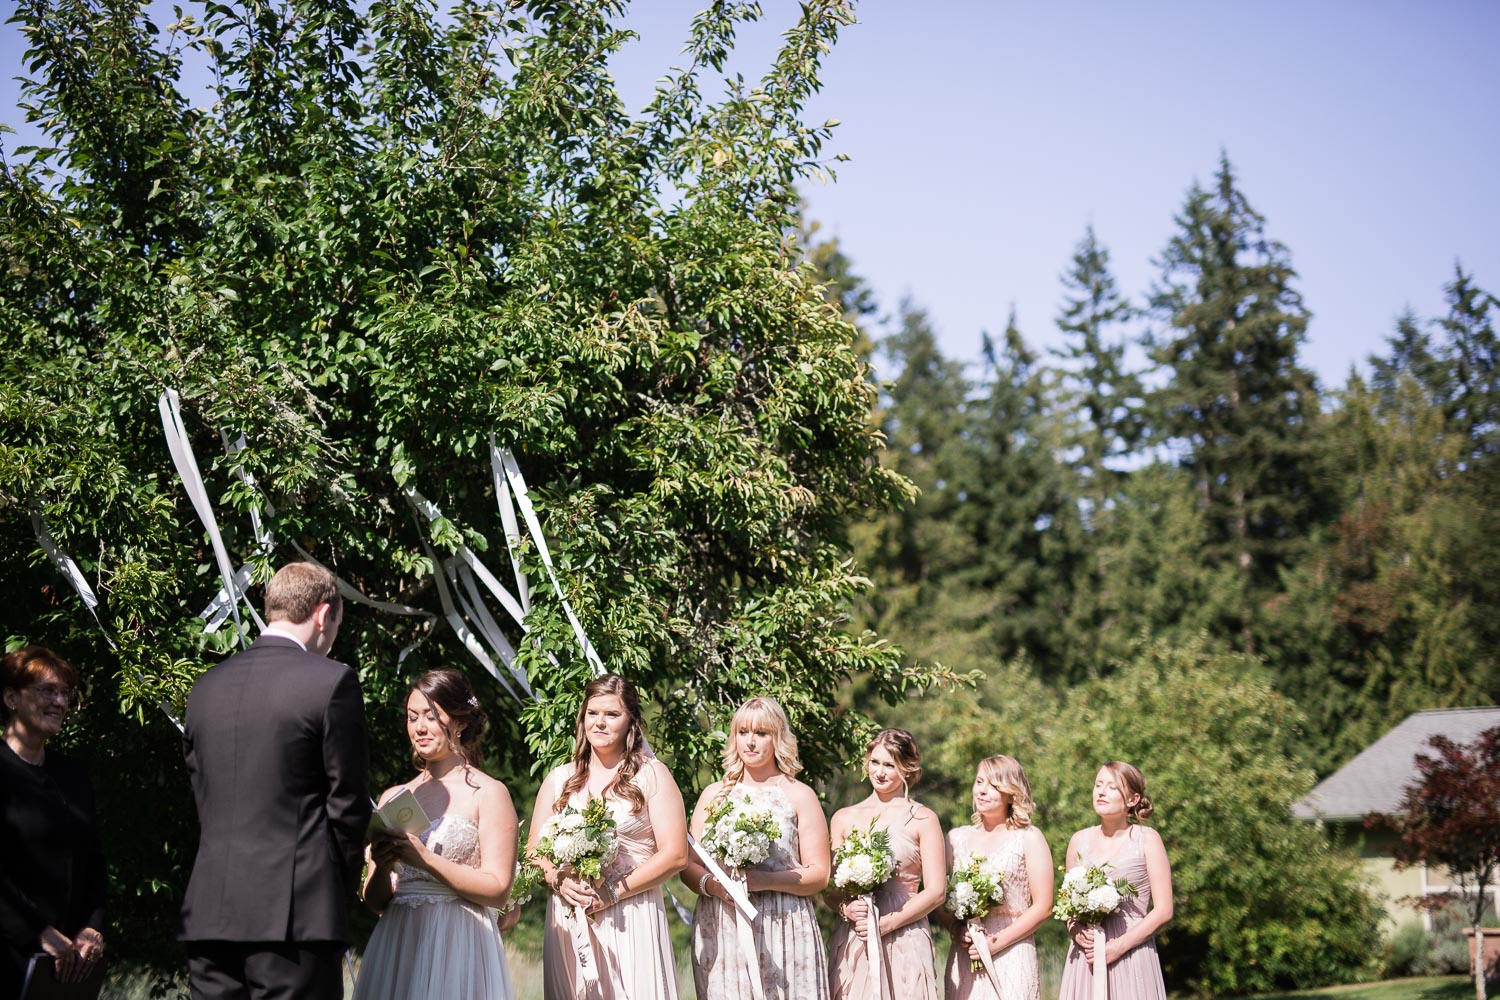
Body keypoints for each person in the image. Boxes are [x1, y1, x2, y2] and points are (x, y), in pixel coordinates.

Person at [180, 562, 371, 1000]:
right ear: (324, 615)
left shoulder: (206, 687)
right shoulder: (331, 683)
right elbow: (347, 804)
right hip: (295, 917)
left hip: (210, 911)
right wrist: (335, 889)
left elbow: (203, 795)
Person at [354, 668, 517, 1000]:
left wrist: (425, 860)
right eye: (412, 717)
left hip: (459, 941)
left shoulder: (489, 793)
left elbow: (498, 890)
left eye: (430, 716)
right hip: (398, 941)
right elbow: (375, 900)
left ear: (459, 721)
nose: (419, 727)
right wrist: (383, 865)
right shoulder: (393, 797)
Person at [529, 674, 687, 1000]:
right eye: (592, 713)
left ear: (631, 722)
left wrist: (613, 892)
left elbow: (676, 855)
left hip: (632, 912)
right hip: (570, 913)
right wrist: (557, 879)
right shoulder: (560, 779)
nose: (599, 723)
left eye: (612, 715)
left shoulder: (653, 775)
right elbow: (534, 852)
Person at [683, 697, 831, 1000]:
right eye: (743, 732)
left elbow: (819, 874)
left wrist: (763, 881)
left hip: (784, 921)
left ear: (777, 738)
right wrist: (714, 886)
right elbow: (688, 865)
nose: (750, 742)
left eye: (761, 733)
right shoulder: (714, 795)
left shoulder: (800, 795)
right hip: (722, 922)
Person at [0, 647, 106, 1000]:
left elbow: (94, 863)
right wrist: (37, 931)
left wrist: (92, 927)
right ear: (11, 698)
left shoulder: (72, 776)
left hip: (66, 971)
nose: (59, 701)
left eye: (65, 693)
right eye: (47, 691)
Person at [827, 729, 943, 1000]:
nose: (879, 772)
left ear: (908, 768)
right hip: (857, 933)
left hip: (905, 929)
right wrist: (846, 907)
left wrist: (887, 923)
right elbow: (830, 888)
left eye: (889, 765)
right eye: (875, 762)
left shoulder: (923, 818)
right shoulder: (843, 817)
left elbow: (936, 891)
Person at [936, 756, 1053, 1000]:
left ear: (1012, 793)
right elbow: (939, 898)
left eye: (994, 785)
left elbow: (1043, 906)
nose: (982, 790)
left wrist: (996, 943)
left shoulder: (1029, 837)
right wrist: (956, 929)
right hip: (966, 953)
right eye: (979, 782)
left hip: (1013, 950)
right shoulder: (954, 839)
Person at [1057, 762, 1172, 1000]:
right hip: (1086, 956)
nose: (1100, 791)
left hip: (1131, 953)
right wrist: (1076, 931)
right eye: (1098, 785)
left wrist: (1117, 948)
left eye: (1111, 787)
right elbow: (1068, 907)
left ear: (1132, 799)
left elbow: (1164, 910)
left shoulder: (1147, 839)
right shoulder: (1078, 840)